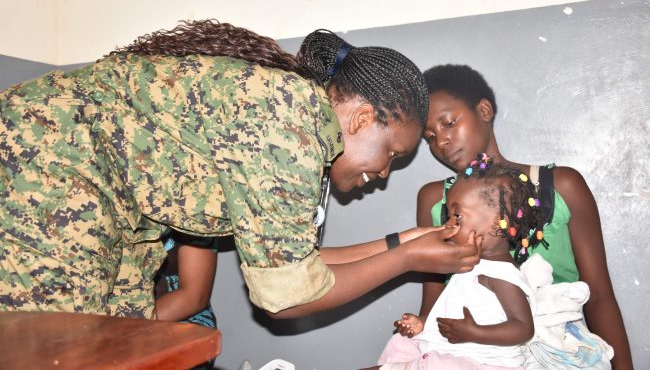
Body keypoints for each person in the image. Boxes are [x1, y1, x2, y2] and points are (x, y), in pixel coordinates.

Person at [0, 20, 482, 320]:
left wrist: (406, 242)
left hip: (112, 209)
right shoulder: (288, 122)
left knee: (120, 330)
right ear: (360, 119)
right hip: (49, 169)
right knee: (59, 344)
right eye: (392, 154)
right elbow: (289, 297)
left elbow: (300, 265)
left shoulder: (299, 126)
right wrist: (406, 261)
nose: (383, 172)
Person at [415, 64, 633, 369]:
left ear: (484, 110)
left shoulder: (561, 186)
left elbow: (599, 295)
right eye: (430, 137)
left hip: (560, 354)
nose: (441, 142)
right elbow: (435, 306)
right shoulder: (434, 202)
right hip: (473, 357)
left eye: (449, 123)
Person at [362, 158, 538, 370]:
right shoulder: (470, 265)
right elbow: (453, 313)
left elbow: (523, 328)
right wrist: (425, 323)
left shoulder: (500, 274)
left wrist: (474, 332)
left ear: (498, 223)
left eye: (457, 216)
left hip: (482, 363)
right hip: (454, 355)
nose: (447, 225)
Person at [154, 231, 218, 370]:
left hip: (181, 321)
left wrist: (123, 326)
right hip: (113, 318)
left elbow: (193, 297)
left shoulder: (193, 215)